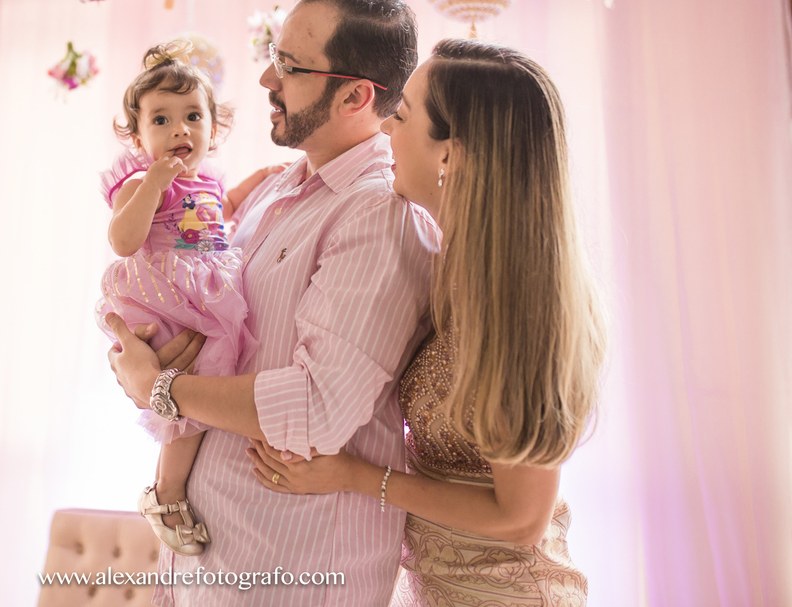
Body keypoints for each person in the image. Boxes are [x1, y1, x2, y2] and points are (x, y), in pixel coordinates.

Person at [107, 0, 436, 607]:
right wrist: (142, 345)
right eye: (273, 58)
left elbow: (316, 409)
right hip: (208, 562)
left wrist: (161, 388)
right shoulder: (271, 190)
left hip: (290, 569)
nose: (266, 79)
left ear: (355, 95)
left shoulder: (378, 215)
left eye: (289, 65)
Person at [246, 39, 607, 606]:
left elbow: (522, 519)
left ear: (450, 156)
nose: (385, 129)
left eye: (403, 116)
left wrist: (354, 476)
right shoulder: (452, 264)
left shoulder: (515, 305)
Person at [98, 40, 283, 556]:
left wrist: (258, 181)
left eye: (192, 117)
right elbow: (123, 240)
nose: (179, 129)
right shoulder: (140, 181)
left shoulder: (207, 183)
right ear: (138, 137)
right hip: (166, 294)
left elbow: (222, 209)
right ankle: (168, 490)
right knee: (188, 389)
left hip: (205, 291)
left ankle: (169, 487)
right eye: (161, 120)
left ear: (213, 129)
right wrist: (152, 184)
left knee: (205, 382)